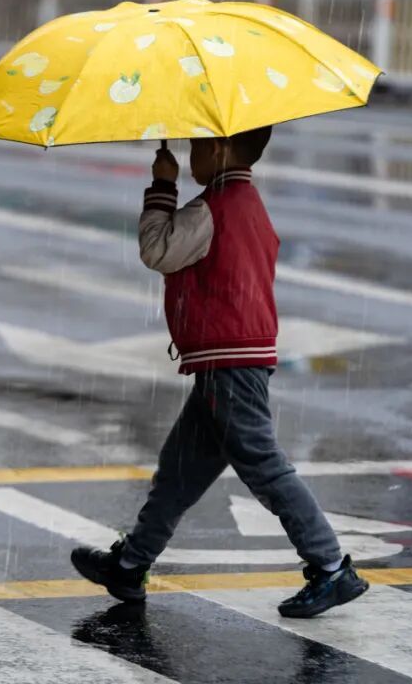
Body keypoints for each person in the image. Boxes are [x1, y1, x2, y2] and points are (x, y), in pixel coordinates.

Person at [70, 127, 369, 618]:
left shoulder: (213, 207)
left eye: (196, 147)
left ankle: (331, 567)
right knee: (180, 470)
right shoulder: (249, 203)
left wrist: (161, 187)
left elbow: (156, 251)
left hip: (229, 359)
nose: (190, 158)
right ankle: (129, 565)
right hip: (232, 358)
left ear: (220, 149)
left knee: (263, 464)